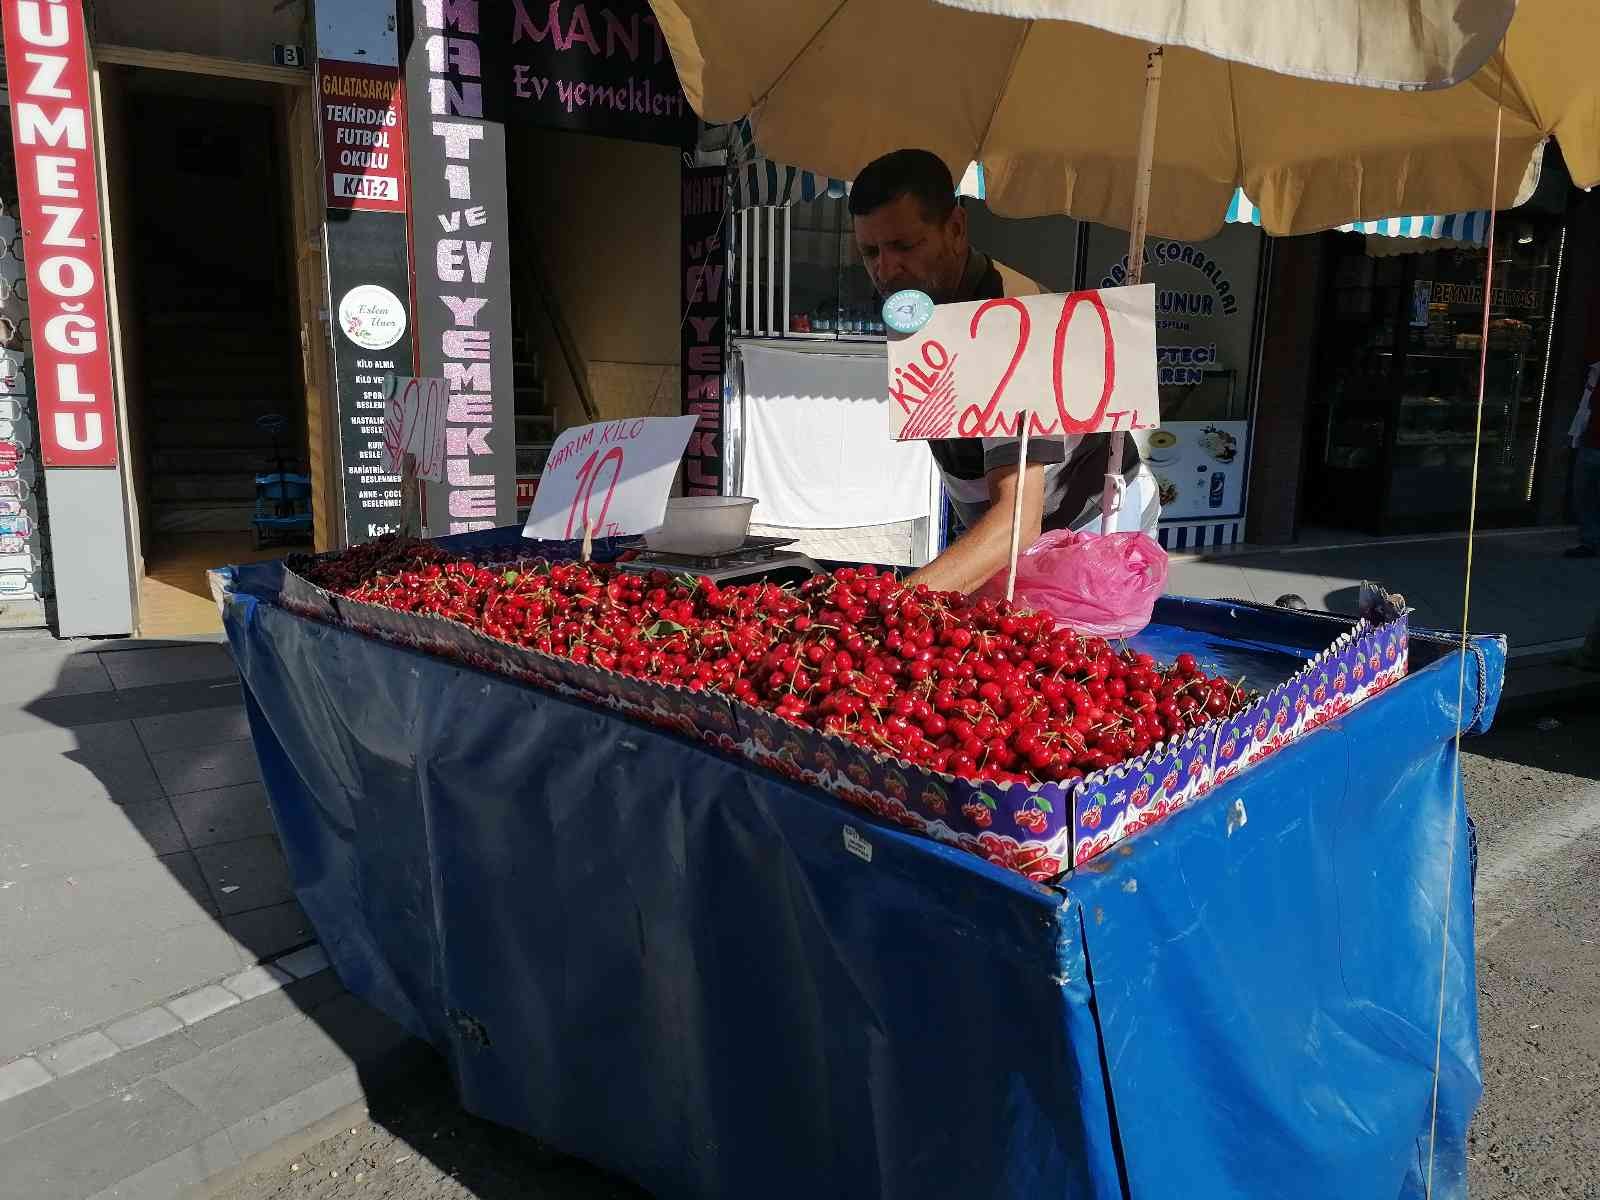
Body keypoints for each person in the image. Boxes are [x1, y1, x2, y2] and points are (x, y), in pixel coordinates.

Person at [848, 149, 1158, 594]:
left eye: (904, 246)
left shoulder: (1010, 328)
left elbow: (1016, 522)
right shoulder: (931, 314)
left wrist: (893, 606)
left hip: (1091, 527)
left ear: (955, 229)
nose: (885, 268)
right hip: (1010, 525)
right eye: (869, 251)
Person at [1566, 360, 1600, 558]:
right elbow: (1584, 408)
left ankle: (1590, 541)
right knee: (1585, 496)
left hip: (1590, 445)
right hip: (1590, 443)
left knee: (1587, 496)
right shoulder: (1596, 373)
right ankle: (1589, 541)